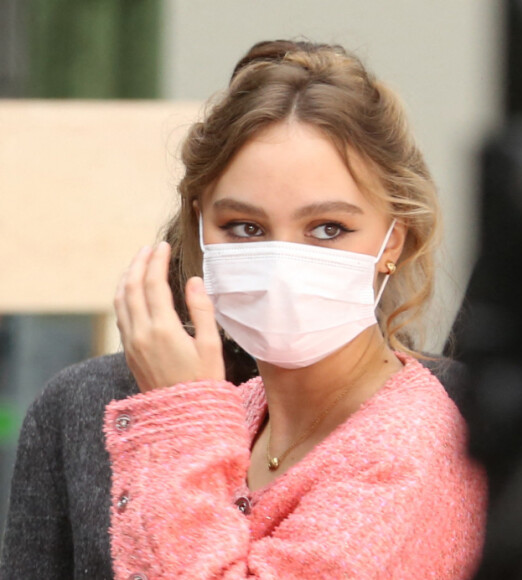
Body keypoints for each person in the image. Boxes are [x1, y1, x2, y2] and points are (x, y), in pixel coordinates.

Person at [103, 40, 487, 579]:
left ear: (393, 242)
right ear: (199, 227)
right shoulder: (238, 412)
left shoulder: (406, 456)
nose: (283, 265)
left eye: (328, 229)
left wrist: (177, 415)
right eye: (245, 227)